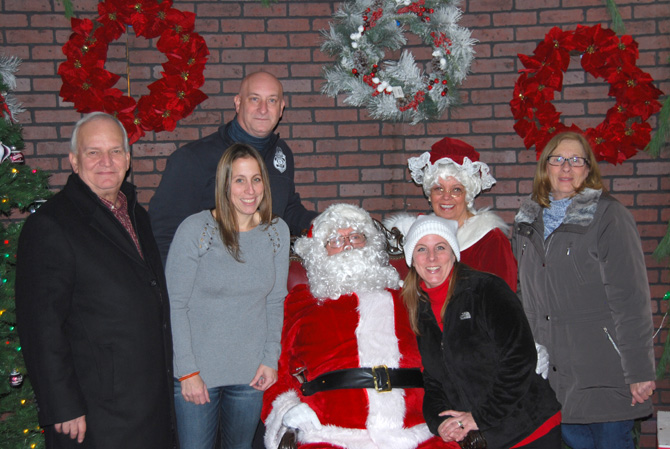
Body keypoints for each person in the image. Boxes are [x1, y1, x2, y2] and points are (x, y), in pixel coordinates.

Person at [15, 112, 176, 448]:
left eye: (116, 151)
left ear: (128, 160)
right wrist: (62, 406)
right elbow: (40, 326)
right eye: (93, 152)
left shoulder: (136, 214)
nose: (107, 161)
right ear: (74, 161)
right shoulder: (51, 225)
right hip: (94, 415)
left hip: (146, 405)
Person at [262, 203, 458, 449]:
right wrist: (287, 410)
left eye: (355, 236)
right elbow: (279, 371)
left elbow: (442, 359)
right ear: (319, 253)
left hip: (414, 430)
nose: (347, 245)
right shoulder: (301, 301)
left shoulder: (407, 297)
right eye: (335, 240)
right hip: (331, 433)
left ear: (370, 244)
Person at [512, 131, 656, 449]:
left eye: (576, 160)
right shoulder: (524, 223)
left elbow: (631, 299)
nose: (566, 167)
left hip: (604, 372)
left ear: (587, 169)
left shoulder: (608, 216)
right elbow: (522, 295)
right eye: (558, 159)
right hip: (553, 377)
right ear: (544, 168)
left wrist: (640, 370)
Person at [401, 215, 562, 449]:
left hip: (528, 427)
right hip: (483, 438)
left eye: (440, 247)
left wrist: (481, 416)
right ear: (412, 260)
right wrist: (440, 421)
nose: (432, 257)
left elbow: (519, 359)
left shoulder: (486, 290)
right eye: (422, 249)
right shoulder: (417, 310)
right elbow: (432, 380)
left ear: (454, 253)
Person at [167, 143, 289, 449]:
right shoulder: (196, 230)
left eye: (256, 179)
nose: (250, 189)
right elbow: (175, 305)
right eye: (239, 180)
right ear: (224, 184)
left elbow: (275, 301)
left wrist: (270, 358)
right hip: (198, 373)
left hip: (251, 375)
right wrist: (187, 371)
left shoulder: (277, 231)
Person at [150, 71, 317, 263]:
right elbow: (164, 233)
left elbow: (285, 209)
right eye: (255, 99)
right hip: (211, 283)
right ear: (238, 103)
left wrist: (322, 224)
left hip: (265, 276)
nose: (263, 109)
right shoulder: (192, 159)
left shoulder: (282, 152)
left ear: (281, 108)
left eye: (272, 101)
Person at [386, 136, 517, 291]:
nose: (446, 197)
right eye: (438, 189)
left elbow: (503, 300)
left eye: (456, 189)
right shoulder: (416, 236)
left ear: (468, 195)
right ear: (429, 195)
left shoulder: (490, 240)